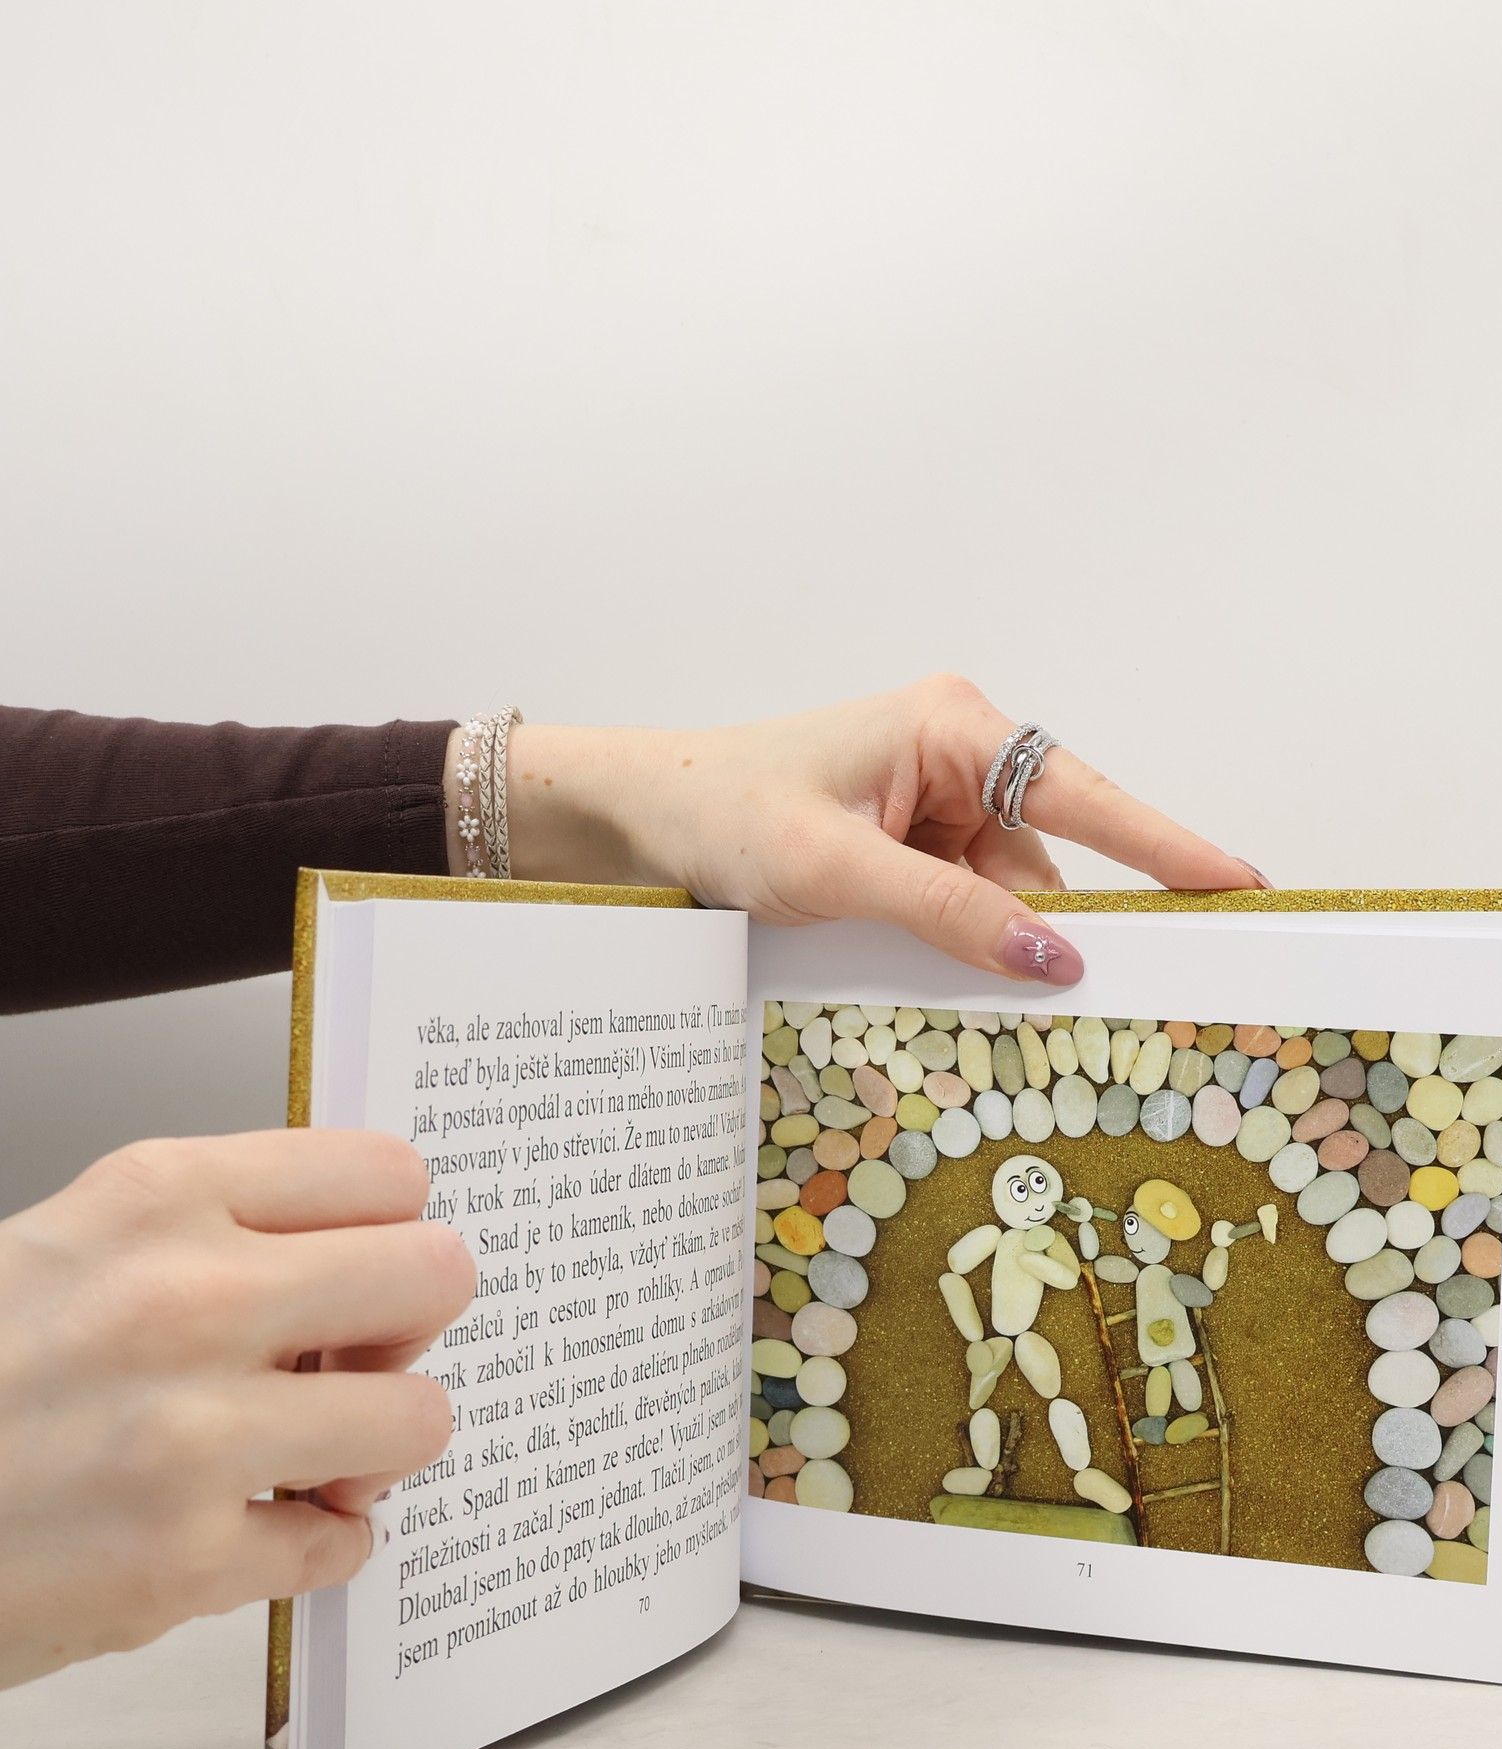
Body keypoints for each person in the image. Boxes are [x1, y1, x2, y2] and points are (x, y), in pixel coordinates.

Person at [0, 678, 1265, 1689]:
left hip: (1023, 1336)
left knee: (1044, 1398)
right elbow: (960, 1272)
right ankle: (994, 1480)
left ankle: (1057, 1478)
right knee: (1001, 1404)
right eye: (1027, 1191)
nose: (1032, 1201)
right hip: (992, 1339)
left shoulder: (1040, 1240)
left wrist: (597, 796)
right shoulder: (1000, 1245)